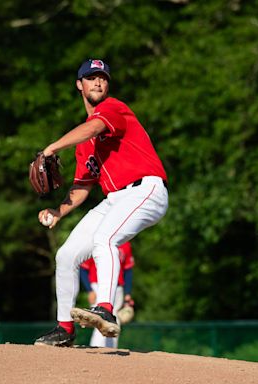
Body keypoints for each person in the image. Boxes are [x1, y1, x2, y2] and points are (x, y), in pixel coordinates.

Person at [34, 59, 168, 347]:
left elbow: (95, 128)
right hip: (115, 198)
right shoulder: (84, 141)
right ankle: (65, 329)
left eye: (103, 78)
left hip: (146, 189)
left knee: (105, 238)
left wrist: (53, 147)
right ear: (79, 85)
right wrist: (59, 211)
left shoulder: (112, 109)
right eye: (91, 77)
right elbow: (82, 186)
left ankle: (106, 309)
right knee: (66, 255)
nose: (98, 82)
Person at [80, 241, 135, 348]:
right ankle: (96, 348)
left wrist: (127, 294)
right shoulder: (98, 241)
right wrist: (89, 290)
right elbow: (83, 269)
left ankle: (111, 349)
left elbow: (128, 270)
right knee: (99, 317)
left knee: (114, 318)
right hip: (98, 284)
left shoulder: (125, 243)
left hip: (118, 286)